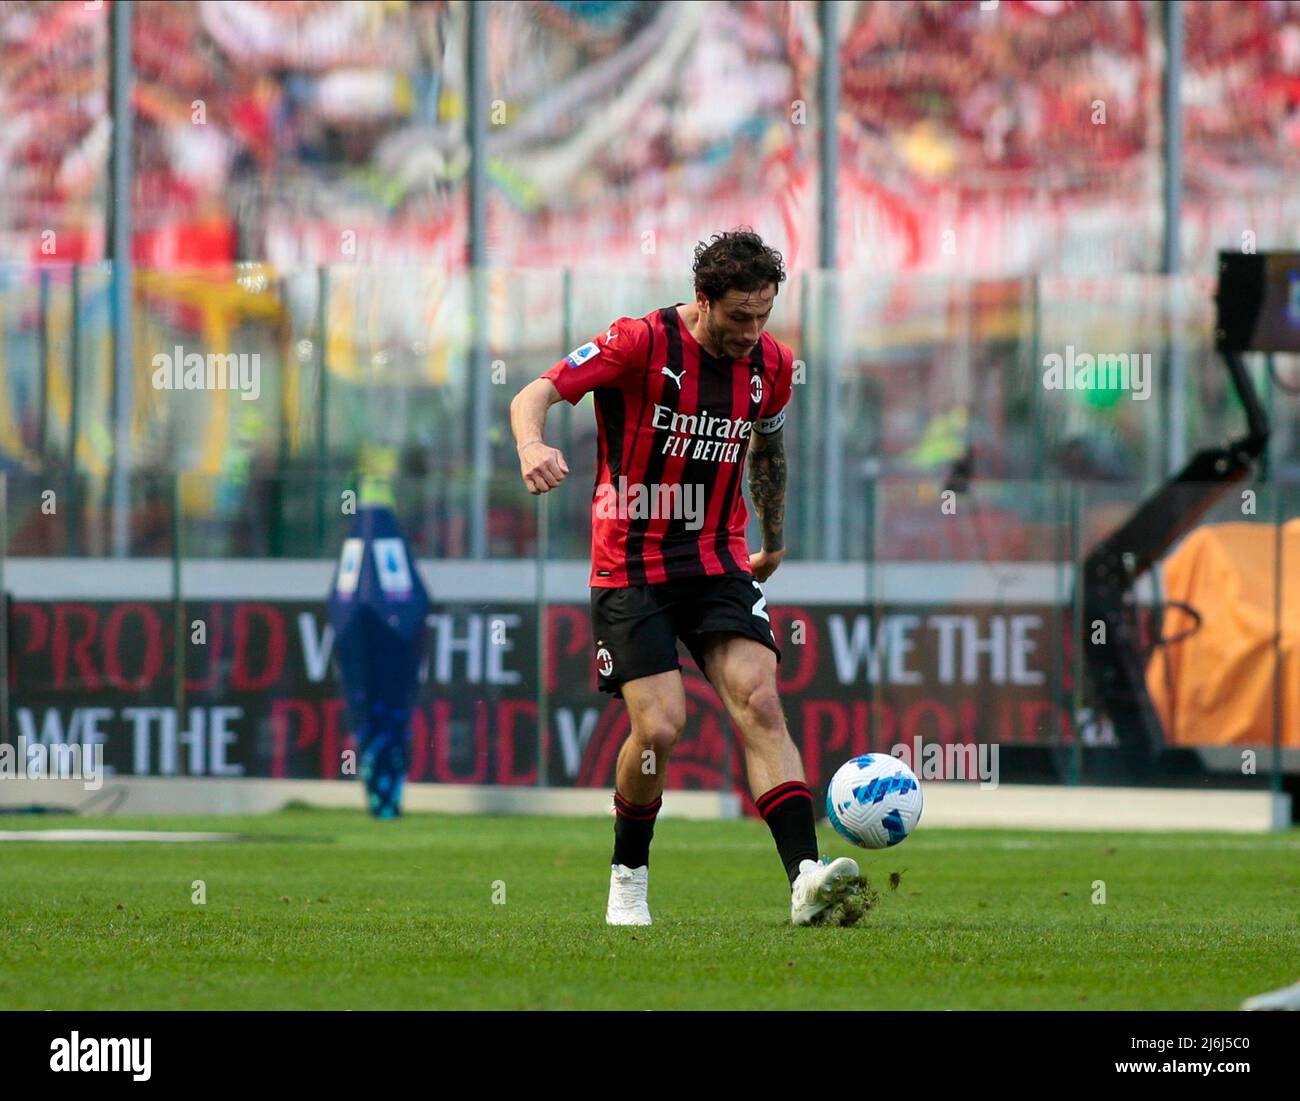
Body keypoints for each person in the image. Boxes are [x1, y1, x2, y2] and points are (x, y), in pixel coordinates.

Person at [508, 228, 859, 926]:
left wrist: (775, 535)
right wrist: (531, 443)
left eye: (763, 315)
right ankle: (628, 876)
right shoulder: (638, 342)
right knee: (662, 726)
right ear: (704, 301)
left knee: (759, 699)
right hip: (629, 564)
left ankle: (805, 879)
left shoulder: (773, 365)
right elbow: (534, 392)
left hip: (716, 558)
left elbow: (769, 449)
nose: (752, 331)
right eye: (739, 317)